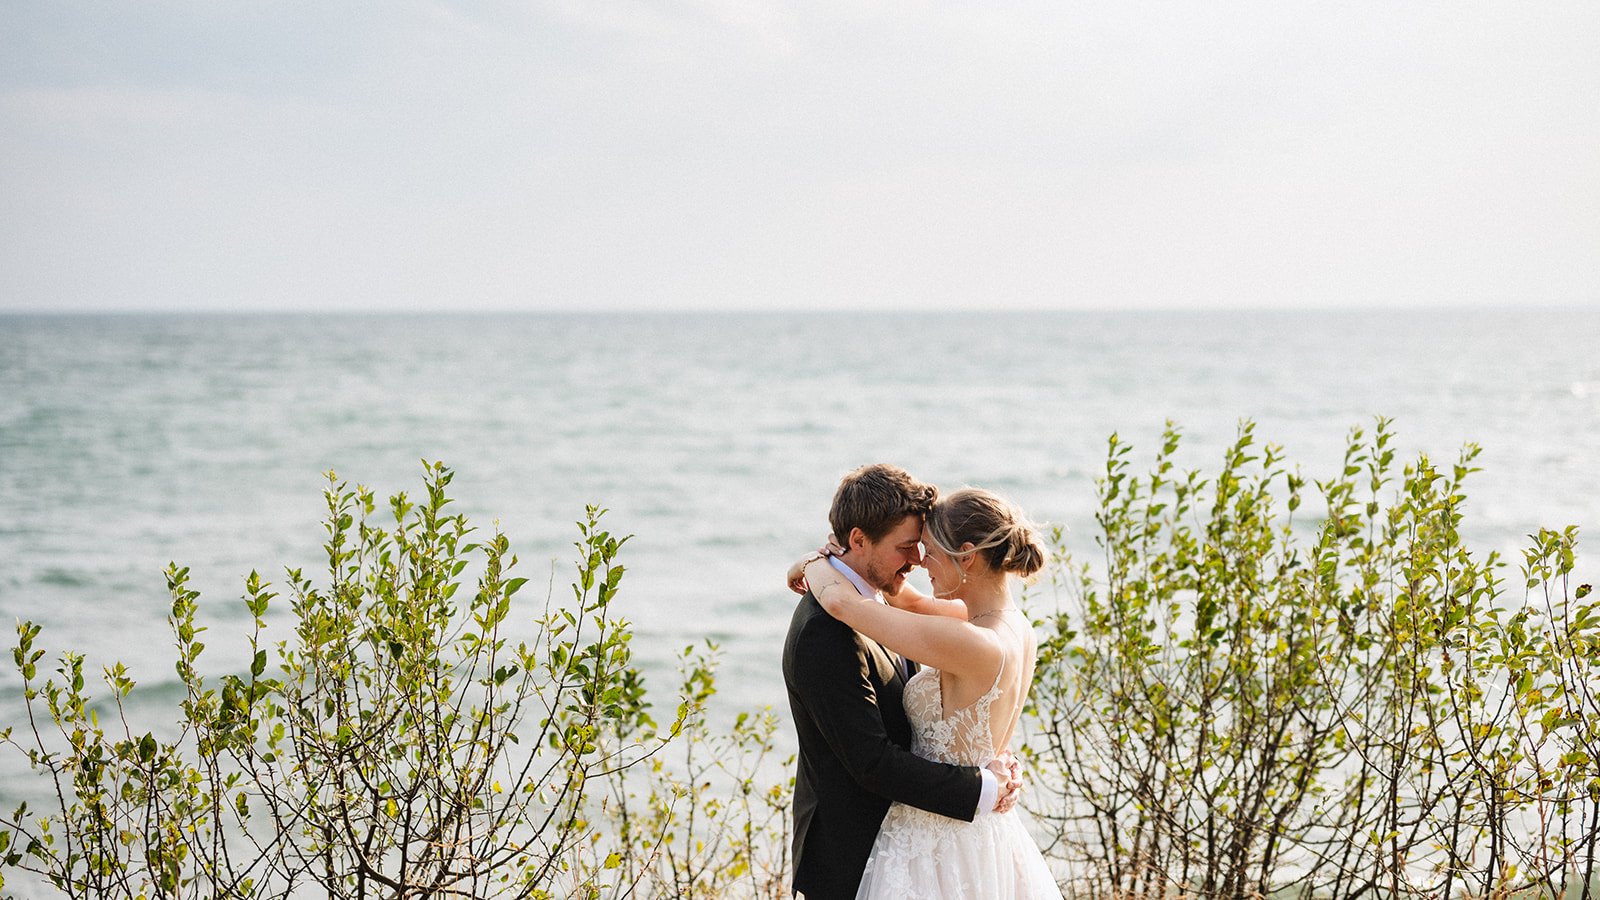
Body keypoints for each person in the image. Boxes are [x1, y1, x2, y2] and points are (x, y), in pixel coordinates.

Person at [792, 484, 1063, 899]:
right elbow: (908, 602)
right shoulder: (1007, 625)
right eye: (913, 548)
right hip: (984, 833)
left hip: (936, 840)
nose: (921, 562)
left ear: (967, 556)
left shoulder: (972, 642)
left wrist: (813, 563)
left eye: (930, 550)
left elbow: (847, 607)